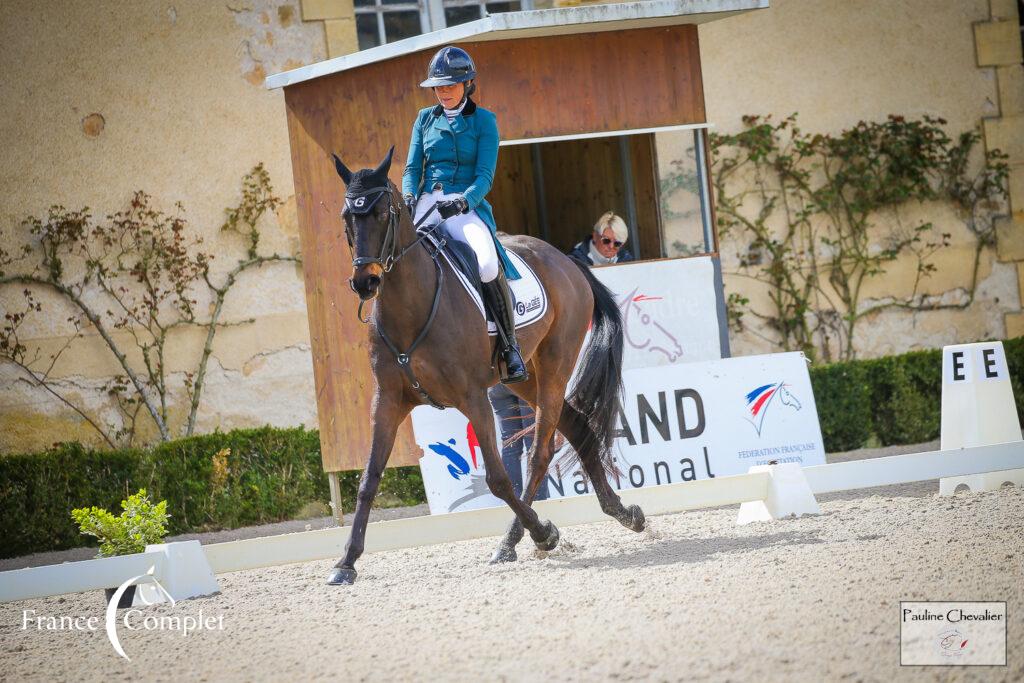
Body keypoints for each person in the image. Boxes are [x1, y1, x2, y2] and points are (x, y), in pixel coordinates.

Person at [402, 45, 528, 384]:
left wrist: (463, 202)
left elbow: (485, 176)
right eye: (438, 87)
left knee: (486, 263)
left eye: (449, 86)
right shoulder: (424, 120)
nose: (442, 92)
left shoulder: (485, 121)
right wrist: (410, 195)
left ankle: (509, 346)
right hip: (428, 202)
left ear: (467, 84)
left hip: (464, 205)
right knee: (397, 256)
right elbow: (413, 167)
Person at [569, 211, 636, 265]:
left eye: (617, 243)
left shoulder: (626, 260)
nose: (611, 246)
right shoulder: (575, 260)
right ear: (595, 236)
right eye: (606, 240)